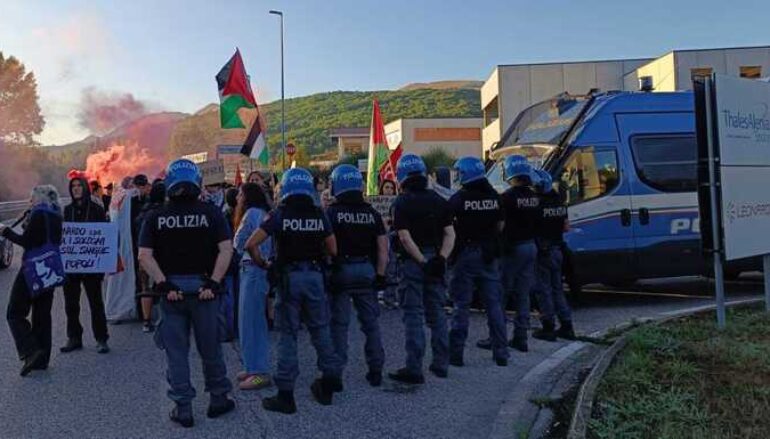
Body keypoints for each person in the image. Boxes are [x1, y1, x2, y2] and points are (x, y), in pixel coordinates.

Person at [138, 159, 235, 428]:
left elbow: (144, 256)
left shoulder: (155, 216)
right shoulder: (212, 213)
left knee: (177, 353)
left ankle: (183, 408)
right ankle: (218, 399)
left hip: (172, 293)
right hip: (205, 291)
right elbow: (226, 249)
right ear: (197, 182)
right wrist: (214, 283)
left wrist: (163, 284)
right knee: (211, 349)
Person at [245, 167, 343, 414]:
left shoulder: (280, 214)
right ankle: (330, 380)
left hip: (289, 279)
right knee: (320, 330)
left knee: (288, 335)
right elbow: (333, 249)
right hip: (315, 277)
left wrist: (263, 263)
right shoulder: (319, 214)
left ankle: (286, 395)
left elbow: (251, 243)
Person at [389, 154, 455, 384]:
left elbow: (404, 238)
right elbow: (450, 234)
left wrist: (422, 262)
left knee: (413, 315)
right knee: (437, 313)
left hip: (413, 264)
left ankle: (414, 368)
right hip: (436, 259)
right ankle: (441, 364)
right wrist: (441, 258)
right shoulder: (439, 200)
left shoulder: (401, 203)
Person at [326, 165, 388, 387]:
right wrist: (380, 275)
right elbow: (383, 248)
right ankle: (376, 370)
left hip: (341, 271)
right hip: (366, 270)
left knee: (339, 326)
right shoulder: (372, 214)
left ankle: (335, 374)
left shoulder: (331, 213)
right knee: (371, 324)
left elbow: (327, 244)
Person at [447, 157, 509, 367]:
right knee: (494, 304)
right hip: (489, 254)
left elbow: (448, 229)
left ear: (465, 174)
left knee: (461, 305)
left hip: (465, 254)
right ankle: (501, 352)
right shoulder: (495, 197)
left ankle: (456, 354)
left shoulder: (458, 199)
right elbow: (500, 226)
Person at [1, 185, 63, 376]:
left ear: (40, 198)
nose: (30, 201)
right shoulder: (56, 215)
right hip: (51, 268)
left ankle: (30, 350)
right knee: (42, 314)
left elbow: (26, 242)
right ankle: (42, 359)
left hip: (32, 268)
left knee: (14, 312)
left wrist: (5, 231)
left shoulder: (38, 214)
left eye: (32, 197)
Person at [60, 176, 110, 354]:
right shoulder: (67, 210)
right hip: (71, 266)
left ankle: (101, 338)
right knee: (71, 304)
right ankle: (74, 337)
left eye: (79, 186)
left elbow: (104, 237)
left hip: (92, 266)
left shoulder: (97, 210)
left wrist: (104, 264)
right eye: (73, 186)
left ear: (85, 188)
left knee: (96, 303)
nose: (76, 189)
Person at [497, 155, 540, 353]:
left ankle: (497, 336)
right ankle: (521, 337)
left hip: (513, 249)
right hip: (531, 246)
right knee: (523, 294)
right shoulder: (534, 197)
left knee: (502, 293)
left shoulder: (506, 197)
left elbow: (500, 226)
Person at [233, 183, 273, 391]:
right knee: (247, 321)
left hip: (254, 270)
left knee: (252, 322)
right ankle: (252, 366)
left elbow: (252, 243)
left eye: (240, 194)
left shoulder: (253, 214)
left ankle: (259, 372)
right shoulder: (258, 213)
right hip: (251, 270)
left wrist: (260, 261)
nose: (237, 198)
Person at [531, 169, 576, 341]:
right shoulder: (559, 202)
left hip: (543, 251)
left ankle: (548, 327)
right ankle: (567, 325)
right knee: (558, 289)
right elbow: (566, 227)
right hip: (558, 249)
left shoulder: (537, 205)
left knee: (543, 290)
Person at [135, 180, 166, 333]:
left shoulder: (143, 213)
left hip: (145, 255)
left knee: (145, 287)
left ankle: (146, 321)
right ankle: (165, 318)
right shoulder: (166, 213)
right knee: (165, 284)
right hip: (162, 255)